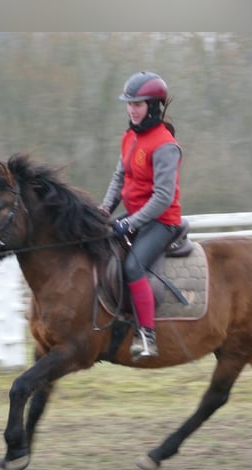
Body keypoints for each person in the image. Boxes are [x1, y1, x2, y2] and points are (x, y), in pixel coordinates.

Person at [100, 71, 183, 360]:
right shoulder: (130, 136)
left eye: (138, 104)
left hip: (162, 222)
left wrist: (129, 223)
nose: (132, 110)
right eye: (129, 104)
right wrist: (104, 210)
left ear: (153, 106)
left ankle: (146, 335)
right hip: (135, 216)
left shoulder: (165, 145)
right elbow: (119, 176)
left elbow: (162, 198)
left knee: (133, 267)